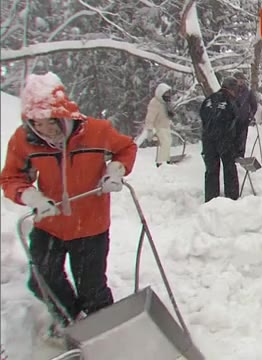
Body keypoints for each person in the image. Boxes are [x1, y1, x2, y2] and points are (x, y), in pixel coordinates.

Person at [0, 72, 137, 341]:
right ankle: (70, 320)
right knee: (42, 280)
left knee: (92, 289)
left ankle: (106, 336)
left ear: (63, 114)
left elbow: (126, 148)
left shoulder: (97, 131)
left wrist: (116, 169)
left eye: (50, 122)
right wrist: (31, 197)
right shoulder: (24, 140)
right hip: (49, 225)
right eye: (36, 124)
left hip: (91, 225)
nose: (45, 130)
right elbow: (11, 177)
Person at [200, 77, 241, 202]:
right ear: (232, 89)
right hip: (224, 138)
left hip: (208, 138)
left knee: (211, 169)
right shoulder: (230, 101)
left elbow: (202, 116)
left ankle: (211, 198)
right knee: (229, 167)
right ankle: (232, 196)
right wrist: (237, 144)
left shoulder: (208, 99)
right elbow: (237, 121)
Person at [140, 83, 174, 167]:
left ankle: (166, 159)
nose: (167, 95)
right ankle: (161, 161)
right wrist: (150, 129)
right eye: (166, 93)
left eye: (168, 93)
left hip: (165, 126)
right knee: (164, 143)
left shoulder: (165, 103)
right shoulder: (155, 102)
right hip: (158, 127)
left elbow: (167, 114)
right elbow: (150, 117)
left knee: (168, 142)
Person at [232, 72, 258, 158]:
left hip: (243, 120)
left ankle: (240, 158)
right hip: (231, 120)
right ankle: (232, 158)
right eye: (239, 80)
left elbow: (254, 105)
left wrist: (251, 115)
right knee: (231, 140)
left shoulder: (248, 91)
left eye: (242, 80)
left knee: (242, 140)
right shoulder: (231, 91)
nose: (241, 82)